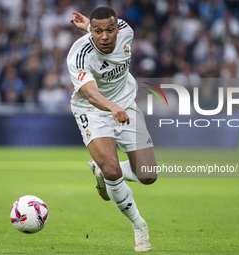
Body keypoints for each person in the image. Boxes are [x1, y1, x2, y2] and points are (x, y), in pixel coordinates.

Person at [67, 7, 157, 252]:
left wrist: (91, 25)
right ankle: (139, 226)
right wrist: (111, 107)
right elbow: (90, 93)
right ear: (91, 33)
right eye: (97, 31)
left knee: (148, 175)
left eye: (109, 30)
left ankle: (101, 170)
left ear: (117, 28)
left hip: (126, 103)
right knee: (112, 171)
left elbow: (105, 29)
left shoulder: (127, 31)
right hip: (93, 110)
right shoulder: (79, 54)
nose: (104, 37)